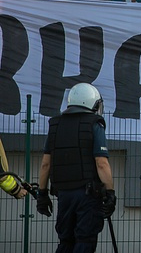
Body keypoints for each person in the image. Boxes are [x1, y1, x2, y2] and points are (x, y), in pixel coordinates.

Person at [35, 83, 115, 253]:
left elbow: (45, 164)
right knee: (85, 240)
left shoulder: (55, 125)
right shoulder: (95, 124)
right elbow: (101, 162)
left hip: (63, 194)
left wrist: (42, 193)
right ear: (93, 103)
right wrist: (110, 192)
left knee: (65, 240)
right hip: (88, 195)